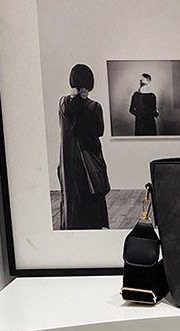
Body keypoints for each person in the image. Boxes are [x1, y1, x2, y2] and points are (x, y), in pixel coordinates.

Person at [57, 63, 110, 229]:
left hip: (68, 162)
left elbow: (66, 129)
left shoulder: (62, 104)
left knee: (72, 199)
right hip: (89, 159)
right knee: (92, 198)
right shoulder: (94, 107)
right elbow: (99, 132)